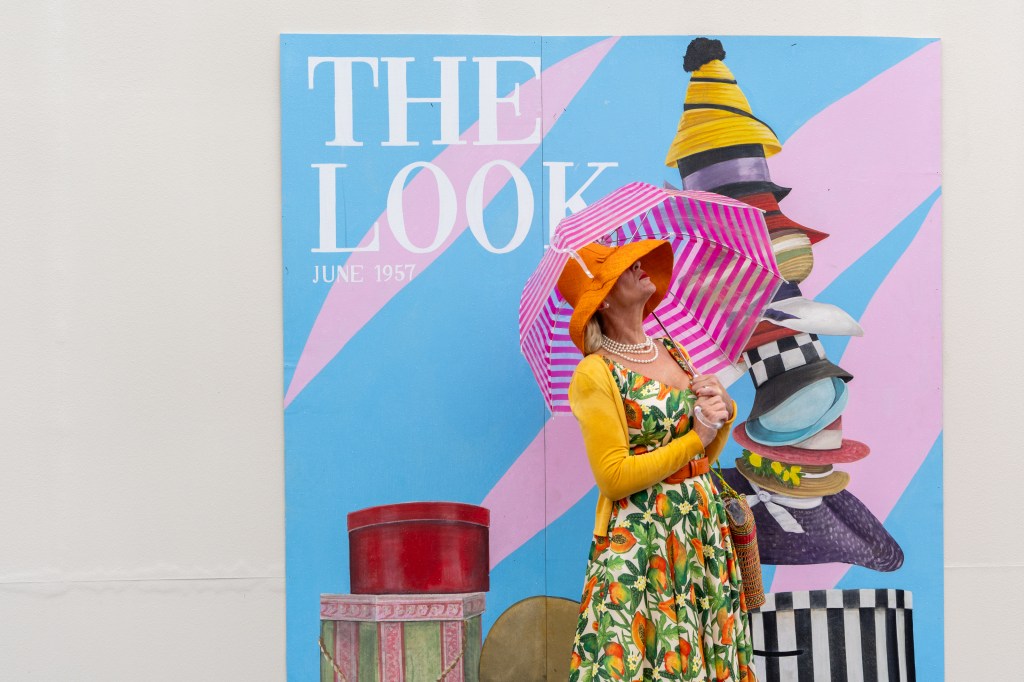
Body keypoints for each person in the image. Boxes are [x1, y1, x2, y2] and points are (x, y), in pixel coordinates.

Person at [558, 239, 757, 682]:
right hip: (644, 540)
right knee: (644, 660)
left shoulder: (673, 348)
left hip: (699, 530)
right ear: (604, 298)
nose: (641, 267)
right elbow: (613, 477)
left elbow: (703, 455)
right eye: (626, 268)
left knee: (702, 653)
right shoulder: (595, 372)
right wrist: (695, 438)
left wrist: (721, 413)